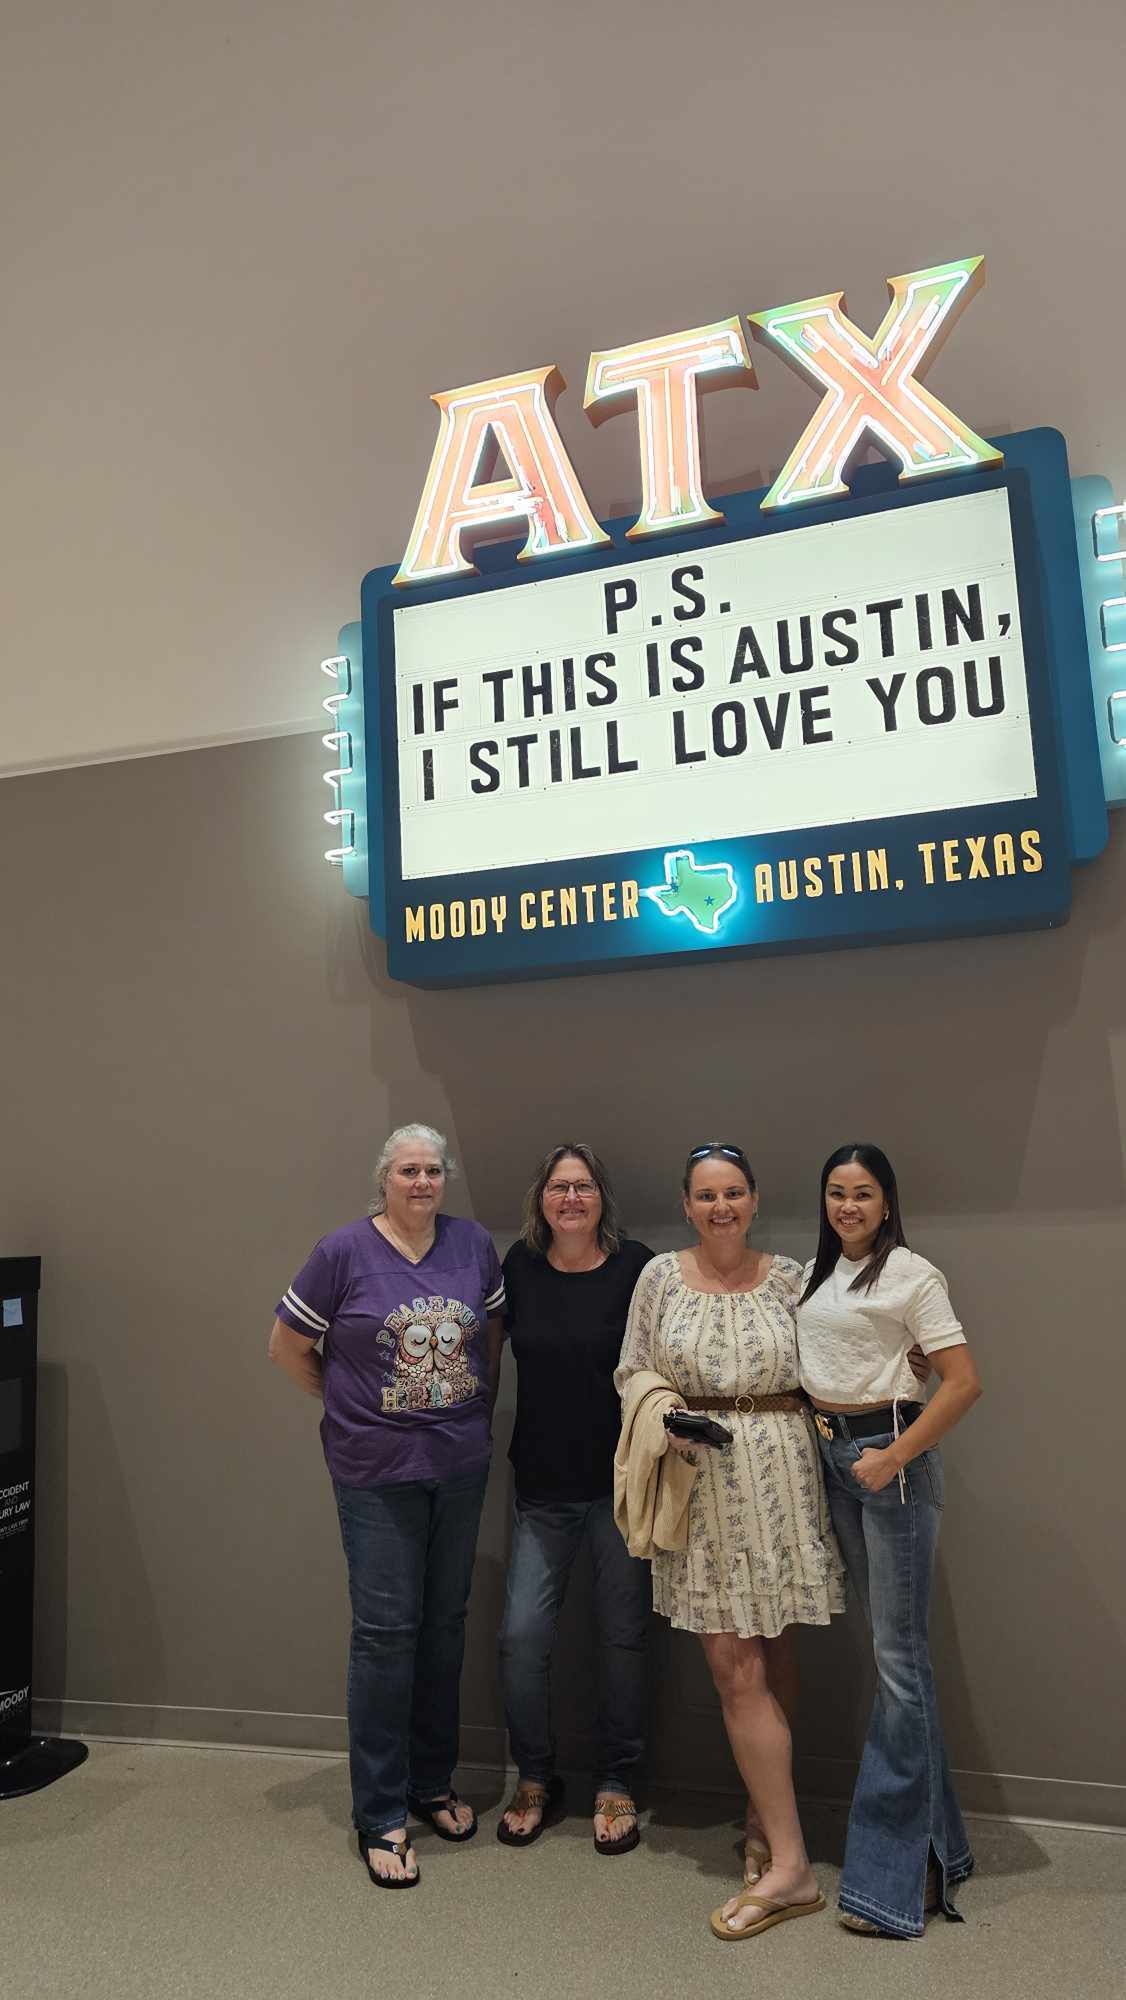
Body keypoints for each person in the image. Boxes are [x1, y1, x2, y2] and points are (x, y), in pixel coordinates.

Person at [615, 1144, 847, 1940]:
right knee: (732, 1664)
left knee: (776, 1652)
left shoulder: (790, 1279)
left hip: (783, 1476)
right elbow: (631, 1370)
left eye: (735, 1193)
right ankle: (793, 1864)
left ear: (754, 1200)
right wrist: (666, 1416)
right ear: (688, 1204)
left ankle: (765, 1824)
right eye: (708, 1195)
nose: (722, 1207)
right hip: (700, 1481)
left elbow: (837, 1359)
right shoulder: (660, 1278)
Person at [267, 1123, 505, 1889]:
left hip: (458, 1466)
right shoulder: (342, 1252)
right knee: (385, 1635)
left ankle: (431, 1782)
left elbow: (490, 1338)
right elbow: (286, 1346)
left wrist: (469, 1414)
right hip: (375, 1471)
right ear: (385, 1179)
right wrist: (347, 1404)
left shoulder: (472, 1245)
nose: (422, 1182)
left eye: (433, 1169)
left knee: (444, 1626)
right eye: (408, 1170)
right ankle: (380, 1811)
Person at [797, 1143, 982, 1939]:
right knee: (896, 1663)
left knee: (899, 1669)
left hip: (888, 1468)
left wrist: (893, 1457)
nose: (849, 1206)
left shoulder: (912, 1274)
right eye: (837, 1192)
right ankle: (941, 1855)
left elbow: (964, 1381)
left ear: (887, 1201)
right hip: (836, 1460)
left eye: (864, 1193)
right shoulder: (819, 1273)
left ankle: (889, 1884)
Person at [497, 1144, 654, 1855]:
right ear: (541, 1198)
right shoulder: (519, 1267)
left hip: (621, 1488)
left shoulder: (636, 1266)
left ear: (601, 1198)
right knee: (522, 1638)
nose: (571, 1198)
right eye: (559, 1186)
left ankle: (617, 1780)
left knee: (622, 1638)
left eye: (583, 1186)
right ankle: (535, 1775)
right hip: (541, 1488)